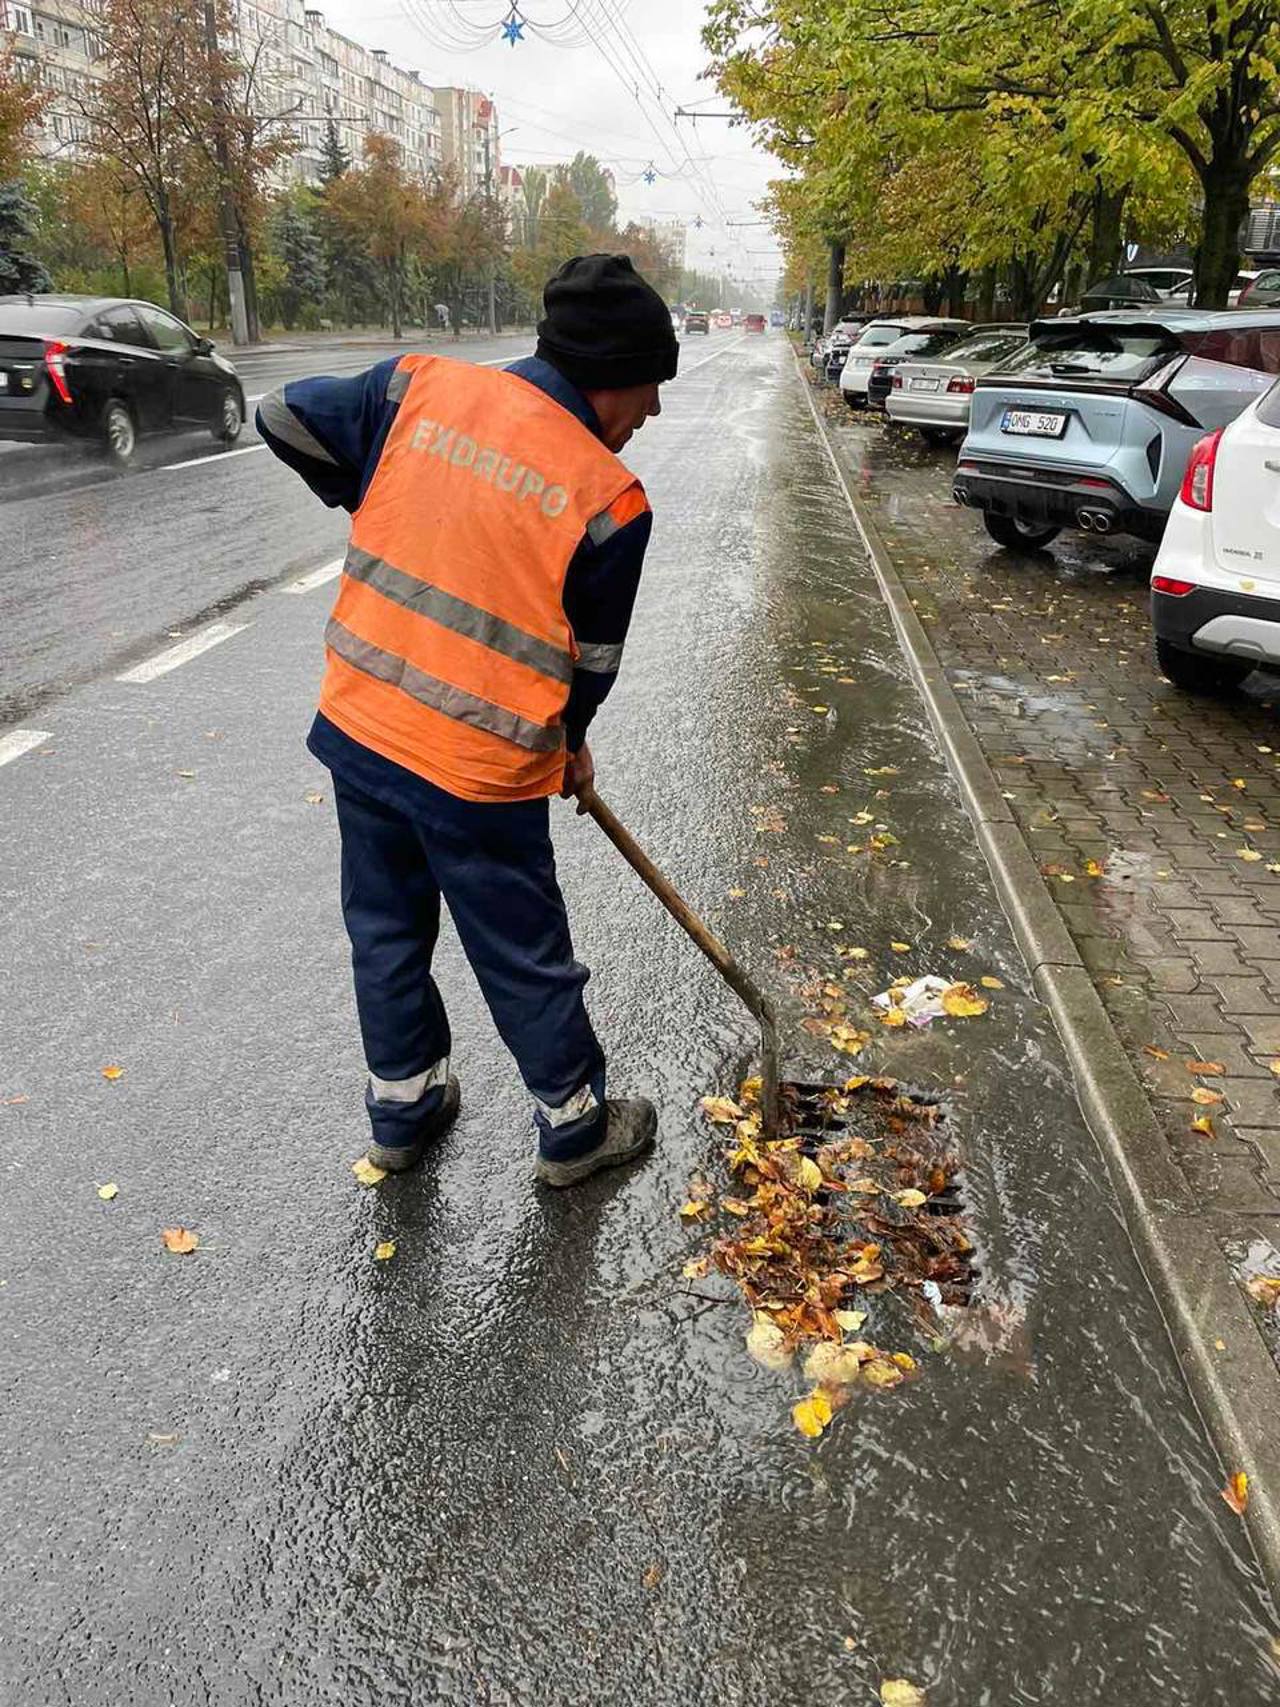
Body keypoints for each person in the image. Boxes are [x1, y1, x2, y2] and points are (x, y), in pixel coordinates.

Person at [256, 254, 678, 1188]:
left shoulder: (417, 389)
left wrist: (365, 485)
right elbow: (590, 665)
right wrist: (569, 745)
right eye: (651, 386)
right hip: (482, 772)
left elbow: (282, 414)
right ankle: (575, 1130)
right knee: (523, 952)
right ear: (613, 373)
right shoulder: (610, 499)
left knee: (386, 931)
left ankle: (403, 1113)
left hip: (364, 730)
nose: (650, 413)